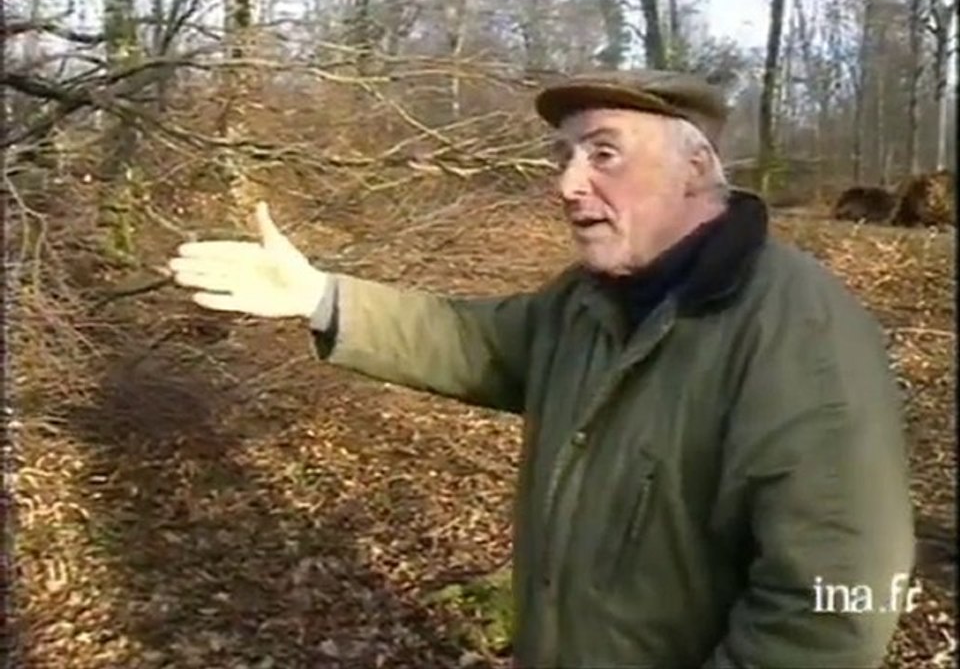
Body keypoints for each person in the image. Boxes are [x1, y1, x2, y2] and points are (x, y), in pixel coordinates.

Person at [168, 69, 916, 668]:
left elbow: (831, 610)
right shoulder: (588, 303)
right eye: (563, 157)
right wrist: (321, 297)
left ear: (694, 168)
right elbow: (476, 342)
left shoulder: (798, 333)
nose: (567, 184)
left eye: (603, 153)